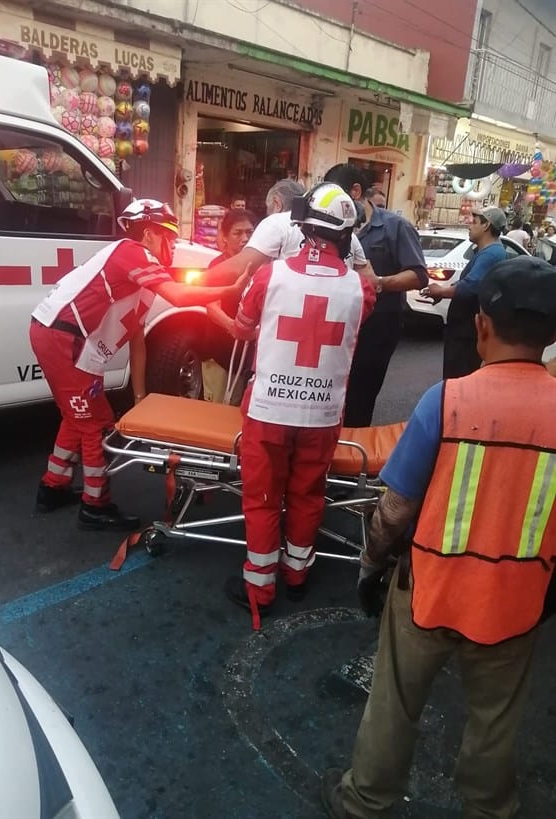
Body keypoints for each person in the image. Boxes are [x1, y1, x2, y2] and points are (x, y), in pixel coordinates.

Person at [321, 255, 556, 819]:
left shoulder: (446, 402)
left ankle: (366, 800)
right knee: (496, 721)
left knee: (394, 703)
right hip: (516, 603)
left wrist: (371, 569)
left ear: (480, 325)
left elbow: (395, 509)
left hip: (429, 589)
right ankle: (490, 810)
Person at [31, 199, 246, 531]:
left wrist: (140, 398)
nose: (172, 246)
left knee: (78, 417)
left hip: (65, 339)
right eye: (169, 238)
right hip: (63, 340)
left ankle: (53, 486)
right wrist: (232, 288)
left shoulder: (135, 276)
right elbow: (177, 296)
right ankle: (95, 506)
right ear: (149, 234)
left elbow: (137, 340)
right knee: (95, 422)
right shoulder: (132, 251)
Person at [223, 183, 376, 629]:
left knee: (263, 497)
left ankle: (259, 587)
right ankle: (297, 575)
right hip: (324, 413)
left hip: (268, 411)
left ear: (301, 224)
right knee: (308, 494)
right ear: (346, 233)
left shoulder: (268, 277)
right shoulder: (360, 290)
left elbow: (244, 329)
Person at [324, 163, 428, 427]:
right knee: (331, 394)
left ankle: (351, 457)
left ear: (356, 192)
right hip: (336, 325)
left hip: (377, 327)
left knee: (360, 398)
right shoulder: (332, 227)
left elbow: (418, 275)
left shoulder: (395, 227)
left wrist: (378, 282)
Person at [207, 178, 370, 289]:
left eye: (267, 207)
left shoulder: (276, 223)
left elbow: (240, 269)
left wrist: (194, 283)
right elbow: (369, 280)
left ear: (277, 203)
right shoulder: (350, 237)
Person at [424, 206, 507, 379]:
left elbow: (471, 286)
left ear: (486, 226)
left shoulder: (491, 254)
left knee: (458, 377)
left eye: (474, 222)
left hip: (467, 332)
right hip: (465, 329)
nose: (469, 225)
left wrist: (442, 290)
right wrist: (444, 292)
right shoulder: (487, 252)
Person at [206, 209, 257, 370]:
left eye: (250, 232)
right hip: (221, 350)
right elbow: (211, 306)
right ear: (225, 238)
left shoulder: (260, 265)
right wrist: (233, 327)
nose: (245, 238)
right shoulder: (218, 266)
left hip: (250, 351)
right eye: (238, 233)